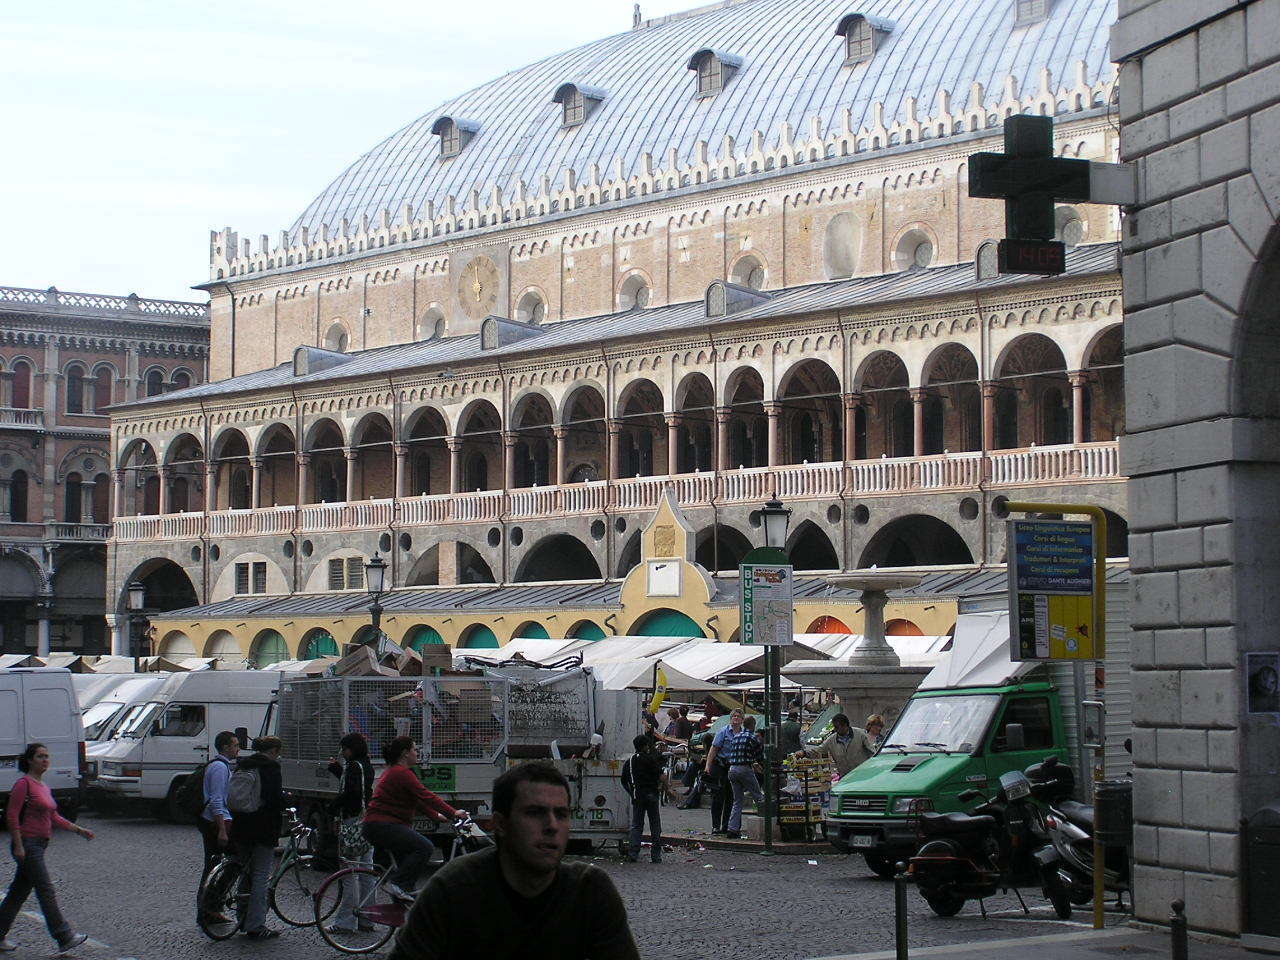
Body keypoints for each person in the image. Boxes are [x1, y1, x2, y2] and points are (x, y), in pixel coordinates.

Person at [388, 762, 640, 960]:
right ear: (500, 824)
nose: (552, 826)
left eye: (561, 814)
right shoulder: (453, 889)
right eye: (535, 813)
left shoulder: (589, 890)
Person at [0, 743, 93, 955]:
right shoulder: (24, 784)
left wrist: (79, 830)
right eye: (41, 756)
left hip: (39, 844)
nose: (45, 760)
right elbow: (12, 815)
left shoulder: (42, 786)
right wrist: (19, 845)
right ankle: (64, 936)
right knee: (45, 889)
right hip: (28, 844)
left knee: (18, 892)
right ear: (30, 760)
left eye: (47, 756)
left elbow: (53, 817)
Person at [361, 736, 463, 903]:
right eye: (415, 749)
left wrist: (438, 816)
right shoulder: (401, 773)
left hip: (378, 825)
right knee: (425, 847)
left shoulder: (396, 772)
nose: (418, 753)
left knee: (407, 876)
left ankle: (403, 916)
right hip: (383, 825)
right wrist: (454, 813)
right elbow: (426, 795)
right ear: (405, 754)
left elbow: (418, 801)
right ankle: (397, 883)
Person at [229, 735, 286, 941]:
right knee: (261, 875)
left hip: (240, 826)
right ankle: (256, 924)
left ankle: (242, 918)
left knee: (245, 872)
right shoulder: (270, 768)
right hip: (262, 827)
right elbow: (273, 798)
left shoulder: (243, 764)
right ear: (273, 751)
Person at [325, 733, 376, 934]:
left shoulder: (353, 766)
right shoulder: (366, 765)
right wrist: (339, 772)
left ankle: (346, 921)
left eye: (344, 749)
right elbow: (361, 790)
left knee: (349, 873)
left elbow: (350, 794)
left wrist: (333, 808)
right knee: (366, 872)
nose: (343, 753)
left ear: (350, 749)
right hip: (367, 822)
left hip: (352, 822)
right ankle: (367, 918)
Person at [704, 710, 763, 840]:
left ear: (742, 720)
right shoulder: (723, 732)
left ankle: (728, 827)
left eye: (739, 716)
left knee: (732, 799)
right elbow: (713, 749)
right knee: (718, 797)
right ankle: (716, 826)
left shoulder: (740, 734)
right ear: (730, 719)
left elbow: (744, 753)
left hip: (732, 768)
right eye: (734, 716)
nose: (736, 718)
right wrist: (708, 766)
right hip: (721, 766)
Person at [199, 731, 240, 887]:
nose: (238, 749)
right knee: (235, 860)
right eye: (235, 745)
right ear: (225, 747)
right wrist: (222, 829)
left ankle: (208, 902)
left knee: (212, 863)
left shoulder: (219, 765)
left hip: (212, 820)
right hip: (215, 821)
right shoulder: (220, 768)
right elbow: (217, 800)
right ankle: (212, 899)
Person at [791, 712, 875, 778]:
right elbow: (819, 749)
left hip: (862, 775)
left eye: (837, 727)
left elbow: (872, 752)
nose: (835, 729)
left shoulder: (860, 734)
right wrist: (804, 753)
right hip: (845, 777)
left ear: (845, 725)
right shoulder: (832, 740)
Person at [621, 735, 663, 864]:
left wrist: (632, 792)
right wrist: (666, 789)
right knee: (655, 825)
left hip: (637, 796)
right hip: (651, 794)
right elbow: (660, 775)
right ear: (645, 746)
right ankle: (656, 856)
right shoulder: (650, 759)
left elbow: (623, 780)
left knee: (637, 825)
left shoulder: (630, 761)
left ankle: (633, 853)